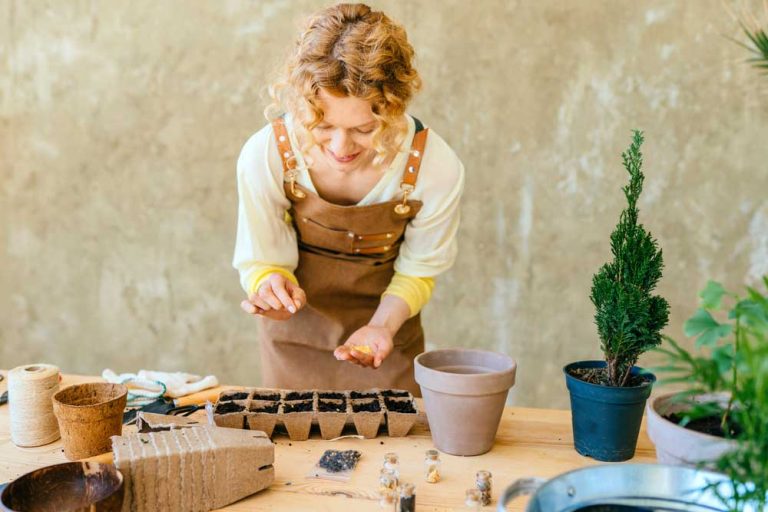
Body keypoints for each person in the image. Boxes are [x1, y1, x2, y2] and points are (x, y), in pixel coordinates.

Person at [233, 3, 464, 395]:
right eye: (323, 125)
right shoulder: (267, 153)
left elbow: (418, 271)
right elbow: (263, 255)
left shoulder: (434, 168)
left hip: (385, 340)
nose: (341, 148)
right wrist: (268, 282)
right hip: (293, 342)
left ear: (395, 108)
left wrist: (382, 327)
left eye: (363, 128)